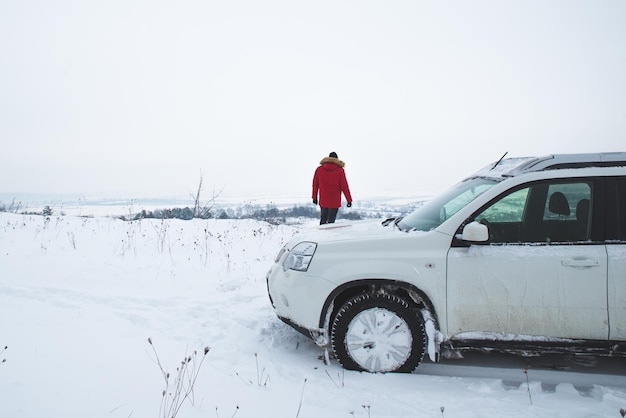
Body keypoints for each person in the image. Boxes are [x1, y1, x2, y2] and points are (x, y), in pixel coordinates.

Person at [312, 151, 353, 224]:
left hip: (323, 200)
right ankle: (329, 235)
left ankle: (320, 235)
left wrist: (314, 197)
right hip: (334, 201)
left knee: (323, 221)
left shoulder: (319, 169)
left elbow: (315, 185)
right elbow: (344, 186)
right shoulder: (340, 171)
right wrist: (349, 200)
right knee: (331, 223)